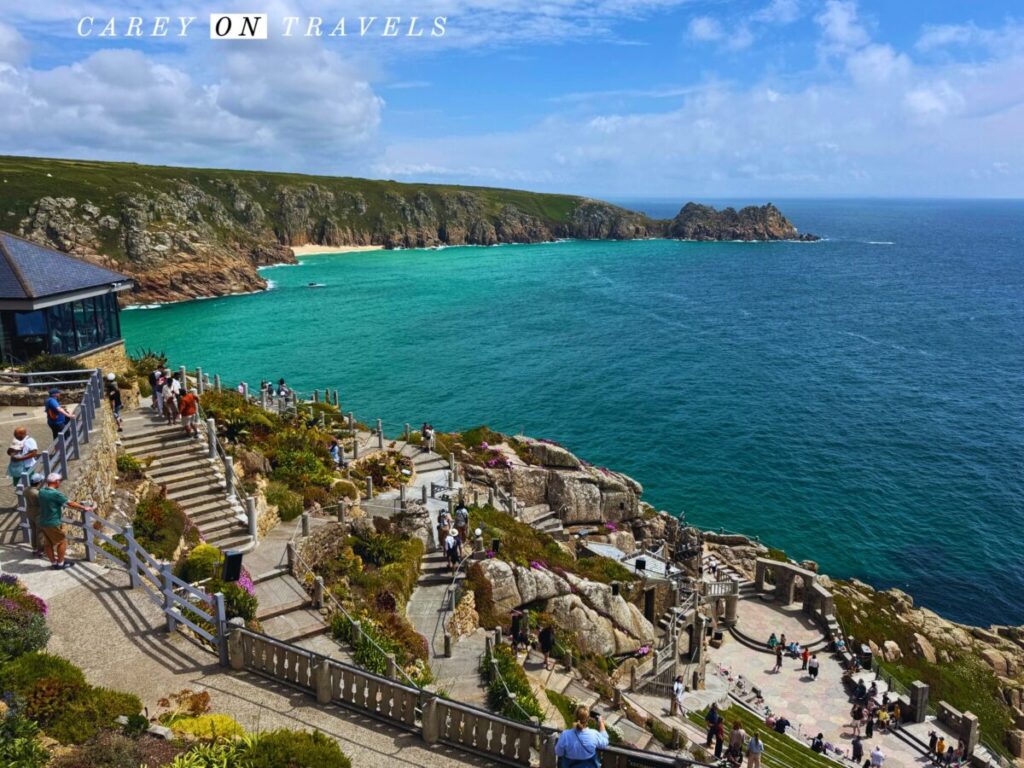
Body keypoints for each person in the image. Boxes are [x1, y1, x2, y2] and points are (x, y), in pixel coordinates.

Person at [38, 472, 91, 569]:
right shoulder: (56, 494)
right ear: (56, 481)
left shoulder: (42, 491)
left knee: (48, 544)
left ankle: (54, 563)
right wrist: (84, 507)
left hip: (43, 521)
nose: (60, 483)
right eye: (60, 481)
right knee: (62, 542)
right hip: (53, 522)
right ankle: (60, 563)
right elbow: (70, 503)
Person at [23, 472, 44, 557]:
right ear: (38, 482)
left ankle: (34, 548)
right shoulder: (37, 493)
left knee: (33, 530)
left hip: (29, 511)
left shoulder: (26, 490)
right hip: (38, 513)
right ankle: (40, 550)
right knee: (40, 532)